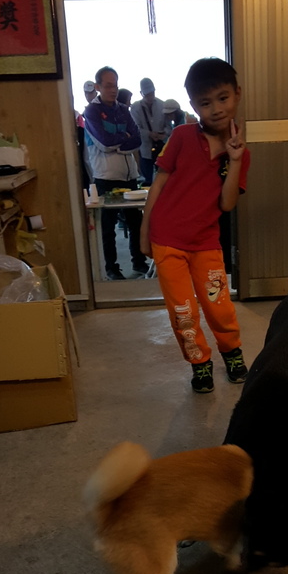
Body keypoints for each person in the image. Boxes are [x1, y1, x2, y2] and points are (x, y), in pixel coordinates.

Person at [140, 57, 250, 394]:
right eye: (205, 103)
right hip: (167, 240)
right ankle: (199, 363)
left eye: (223, 98)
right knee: (183, 311)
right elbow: (158, 184)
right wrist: (145, 233)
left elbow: (227, 204)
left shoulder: (240, 152)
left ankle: (232, 353)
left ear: (237, 94)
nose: (216, 109)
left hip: (206, 244)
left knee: (219, 306)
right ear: (193, 105)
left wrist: (234, 160)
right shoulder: (182, 136)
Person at [83, 66, 149, 280]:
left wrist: (119, 142)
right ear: (98, 86)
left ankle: (139, 262)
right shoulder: (91, 112)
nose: (113, 90)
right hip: (105, 177)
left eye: (116, 85)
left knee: (135, 222)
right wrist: (124, 138)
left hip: (130, 177)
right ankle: (111, 268)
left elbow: (137, 140)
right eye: (108, 86)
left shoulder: (122, 109)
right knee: (107, 227)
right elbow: (104, 143)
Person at [130, 78, 168, 186]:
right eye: (147, 94)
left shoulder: (162, 105)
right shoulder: (135, 107)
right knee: (147, 181)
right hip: (145, 149)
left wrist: (163, 134)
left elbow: (168, 125)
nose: (150, 96)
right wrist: (149, 134)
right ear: (141, 93)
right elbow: (135, 128)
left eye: (152, 93)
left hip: (161, 147)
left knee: (164, 179)